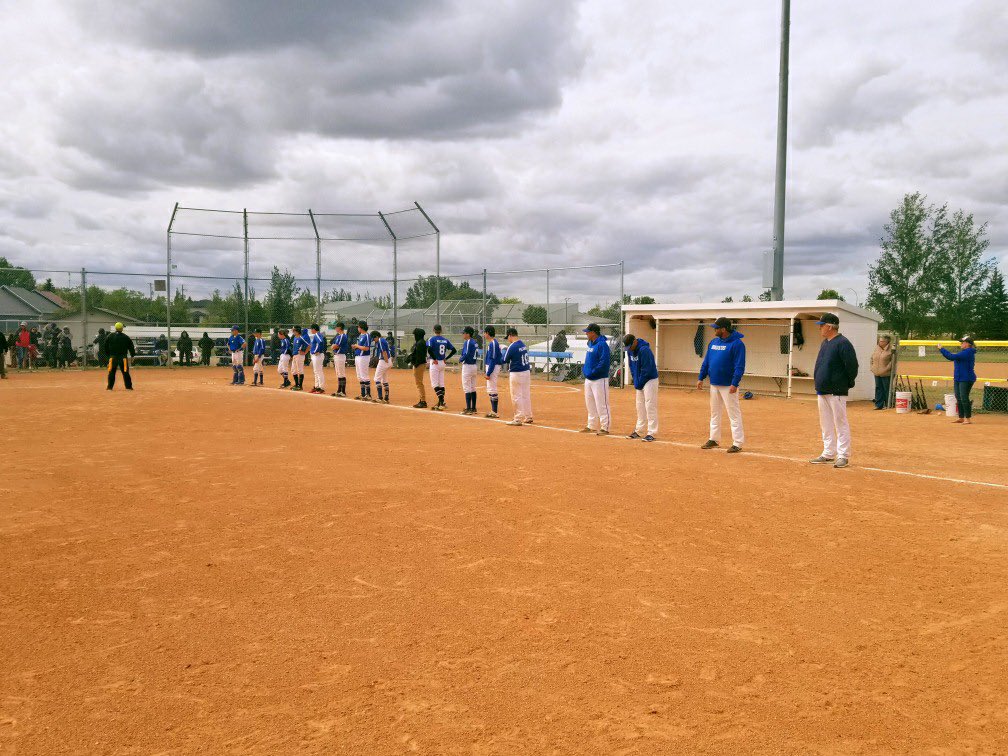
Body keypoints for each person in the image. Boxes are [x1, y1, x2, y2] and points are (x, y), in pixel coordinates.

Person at [810, 313, 859, 468]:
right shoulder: (825, 343)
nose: (820, 328)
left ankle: (843, 455)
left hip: (837, 389)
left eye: (822, 325)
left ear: (830, 326)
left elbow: (852, 367)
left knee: (840, 422)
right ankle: (828, 453)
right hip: (822, 389)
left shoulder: (843, 343)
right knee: (826, 423)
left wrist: (845, 384)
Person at [697, 316, 746, 453]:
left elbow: (739, 366)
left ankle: (737, 442)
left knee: (733, 414)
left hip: (728, 385)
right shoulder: (713, 342)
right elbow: (707, 361)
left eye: (716, 328)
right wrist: (701, 377)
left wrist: (735, 383)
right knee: (714, 412)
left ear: (723, 329)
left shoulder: (737, 344)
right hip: (714, 384)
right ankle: (714, 438)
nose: (714, 330)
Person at [624, 333, 659, 442]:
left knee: (650, 405)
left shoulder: (644, 350)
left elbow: (647, 370)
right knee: (640, 406)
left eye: (630, 346)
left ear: (635, 342)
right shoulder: (630, 350)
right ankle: (639, 431)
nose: (629, 349)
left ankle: (651, 432)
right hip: (640, 380)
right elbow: (631, 366)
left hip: (650, 380)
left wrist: (639, 382)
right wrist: (635, 380)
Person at [580, 323, 612, 436]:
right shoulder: (591, 344)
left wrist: (593, 372)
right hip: (589, 379)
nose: (586, 333)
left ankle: (605, 427)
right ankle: (591, 425)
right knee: (590, 403)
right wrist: (586, 371)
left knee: (602, 403)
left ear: (594, 333)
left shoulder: (602, 345)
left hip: (599, 379)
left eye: (588, 332)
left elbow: (604, 363)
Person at [940, 336, 978, 425]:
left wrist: (941, 349)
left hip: (966, 378)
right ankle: (961, 418)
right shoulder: (964, 352)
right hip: (958, 378)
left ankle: (967, 419)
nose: (961, 344)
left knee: (964, 398)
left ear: (968, 344)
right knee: (958, 397)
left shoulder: (968, 352)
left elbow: (951, 357)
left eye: (963, 342)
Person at [503, 327, 532, 426]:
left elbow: (505, 360)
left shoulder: (512, 346)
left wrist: (503, 350)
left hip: (516, 373)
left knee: (516, 396)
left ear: (511, 335)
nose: (508, 339)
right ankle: (528, 416)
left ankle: (518, 418)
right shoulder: (523, 344)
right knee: (525, 395)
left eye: (508, 337)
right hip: (526, 371)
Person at [426, 324, 457, 411]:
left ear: (434, 330)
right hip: (442, 363)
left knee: (435, 384)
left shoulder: (432, 339)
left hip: (435, 363)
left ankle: (441, 401)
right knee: (441, 384)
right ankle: (440, 403)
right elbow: (454, 350)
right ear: (441, 330)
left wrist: (435, 358)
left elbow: (429, 349)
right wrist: (446, 358)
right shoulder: (445, 340)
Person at [106, 322, 135, 390]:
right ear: (121, 329)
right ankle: (128, 387)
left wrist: (108, 355)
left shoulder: (110, 336)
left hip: (113, 357)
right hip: (123, 358)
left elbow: (106, 347)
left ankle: (109, 387)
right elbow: (131, 346)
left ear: (115, 328)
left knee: (111, 372)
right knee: (125, 372)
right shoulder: (125, 337)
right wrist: (132, 355)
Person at [483, 325, 503, 418]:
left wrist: (488, 372)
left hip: (493, 367)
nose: (484, 335)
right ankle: (493, 410)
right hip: (492, 366)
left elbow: (493, 359)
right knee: (490, 388)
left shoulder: (493, 343)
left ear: (488, 333)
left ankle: (494, 411)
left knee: (492, 388)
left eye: (485, 333)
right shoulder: (492, 343)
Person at [870, 335, 894, 410]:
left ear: (887, 342)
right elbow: (872, 358)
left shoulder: (891, 350)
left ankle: (888, 404)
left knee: (887, 389)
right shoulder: (876, 348)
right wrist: (872, 367)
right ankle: (879, 405)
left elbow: (893, 362)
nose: (880, 342)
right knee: (878, 388)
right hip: (876, 373)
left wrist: (886, 369)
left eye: (882, 341)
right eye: (879, 341)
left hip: (886, 374)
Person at [458, 326, 479, 415]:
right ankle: (473, 407)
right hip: (474, 365)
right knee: (473, 387)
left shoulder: (468, 342)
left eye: (464, 333)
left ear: (468, 334)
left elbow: (466, 354)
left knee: (467, 388)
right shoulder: (475, 342)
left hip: (467, 366)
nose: (463, 334)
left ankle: (468, 408)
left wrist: (460, 359)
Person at [408, 328, 428, 408]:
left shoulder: (420, 343)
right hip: (421, 364)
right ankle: (421, 400)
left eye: (415, 335)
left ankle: (423, 401)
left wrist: (415, 364)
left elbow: (419, 356)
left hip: (419, 365)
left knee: (419, 383)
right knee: (419, 383)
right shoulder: (421, 342)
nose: (414, 336)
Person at [353, 321, 372, 401]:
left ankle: (368, 395)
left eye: (358, 327)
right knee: (359, 376)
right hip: (358, 356)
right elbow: (360, 346)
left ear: (361, 327)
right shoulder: (360, 335)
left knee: (364, 375)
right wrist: (355, 347)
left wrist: (357, 346)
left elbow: (367, 348)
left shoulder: (367, 336)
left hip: (364, 357)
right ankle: (363, 394)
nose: (358, 328)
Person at [372, 330, 392, 403]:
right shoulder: (383, 340)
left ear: (376, 336)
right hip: (388, 361)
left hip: (384, 361)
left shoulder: (380, 340)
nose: (374, 340)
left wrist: (385, 361)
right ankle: (386, 398)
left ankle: (380, 397)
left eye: (374, 338)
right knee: (384, 380)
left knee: (376, 378)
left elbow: (384, 352)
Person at [330, 322, 350, 397]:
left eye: (336, 327)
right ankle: (339, 390)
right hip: (337, 356)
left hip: (340, 355)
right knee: (338, 373)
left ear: (340, 327)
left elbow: (335, 346)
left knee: (341, 373)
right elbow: (333, 345)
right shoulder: (338, 336)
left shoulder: (342, 336)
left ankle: (343, 391)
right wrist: (334, 346)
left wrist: (334, 346)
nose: (335, 328)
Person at [308, 324, 327, 394]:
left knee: (318, 371)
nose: (311, 330)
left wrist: (317, 351)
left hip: (317, 356)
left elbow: (321, 342)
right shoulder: (316, 335)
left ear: (314, 329)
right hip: (315, 356)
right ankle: (317, 386)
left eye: (311, 329)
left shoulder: (317, 335)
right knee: (316, 371)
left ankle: (321, 387)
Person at [290, 326, 308, 391]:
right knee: (293, 370)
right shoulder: (295, 337)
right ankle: (296, 384)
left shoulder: (301, 338)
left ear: (297, 331)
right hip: (295, 355)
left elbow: (309, 345)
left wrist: (305, 352)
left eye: (294, 331)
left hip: (299, 355)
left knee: (299, 370)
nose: (293, 332)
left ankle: (300, 386)